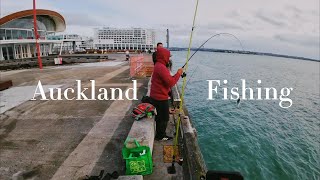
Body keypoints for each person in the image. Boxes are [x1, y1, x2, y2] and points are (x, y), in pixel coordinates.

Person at [150, 47, 184, 141]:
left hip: (157, 95)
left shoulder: (158, 65)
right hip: (160, 97)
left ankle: (160, 134)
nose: (169, 59)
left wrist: (175, 75)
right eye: (168, 57)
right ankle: (160, 136)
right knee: (164, 118)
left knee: (160, 117)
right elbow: (171, 83)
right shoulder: (161, 67)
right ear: (163, 56)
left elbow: (167, 80)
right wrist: (178, 73)